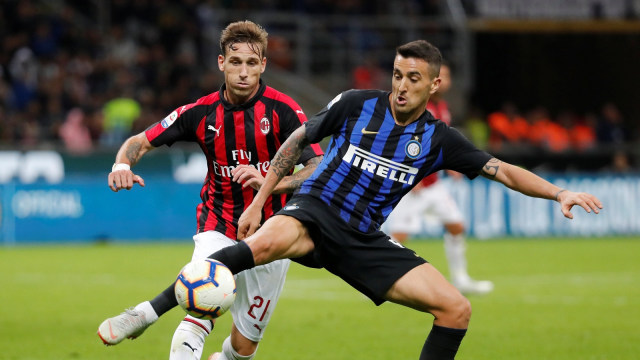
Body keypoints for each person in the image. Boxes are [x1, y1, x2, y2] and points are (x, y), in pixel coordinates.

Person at [98, 39, 603, 360]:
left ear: (434, 84)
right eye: (397, 74)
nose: (401, 86)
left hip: (364, 238)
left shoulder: (440, 140)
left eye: (413, 78)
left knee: (456, 309)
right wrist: (261, 202)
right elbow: (296, 146)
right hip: (313, 214)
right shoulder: (356, 104)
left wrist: (560, 192)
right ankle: (145, 314)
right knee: (233, 255)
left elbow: (502, 170)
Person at [97, 20, 323, 360]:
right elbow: (139, 142)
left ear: (263, 64)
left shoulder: (284, 111)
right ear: (222, 63)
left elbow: (316, 167)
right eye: (235, 62)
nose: (243, 72)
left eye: (251, 63)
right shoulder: (200, 112)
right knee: (199, 303)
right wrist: (122, 166)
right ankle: (143, 314)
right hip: (218, 224)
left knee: (243, 349)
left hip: (272, 234)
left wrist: (272, 182)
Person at [385, 62, 493, 295]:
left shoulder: (442, 107)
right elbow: (400, 141)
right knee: (398, 237)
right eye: (439, 75)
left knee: (456, 225)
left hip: (434, 184)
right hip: (413, 183)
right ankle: (377, 278)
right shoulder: (415, 107)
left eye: (447, 76)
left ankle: (461, 278)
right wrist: (412, 175)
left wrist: (452, 165)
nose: (443, 80)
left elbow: (439, 145)